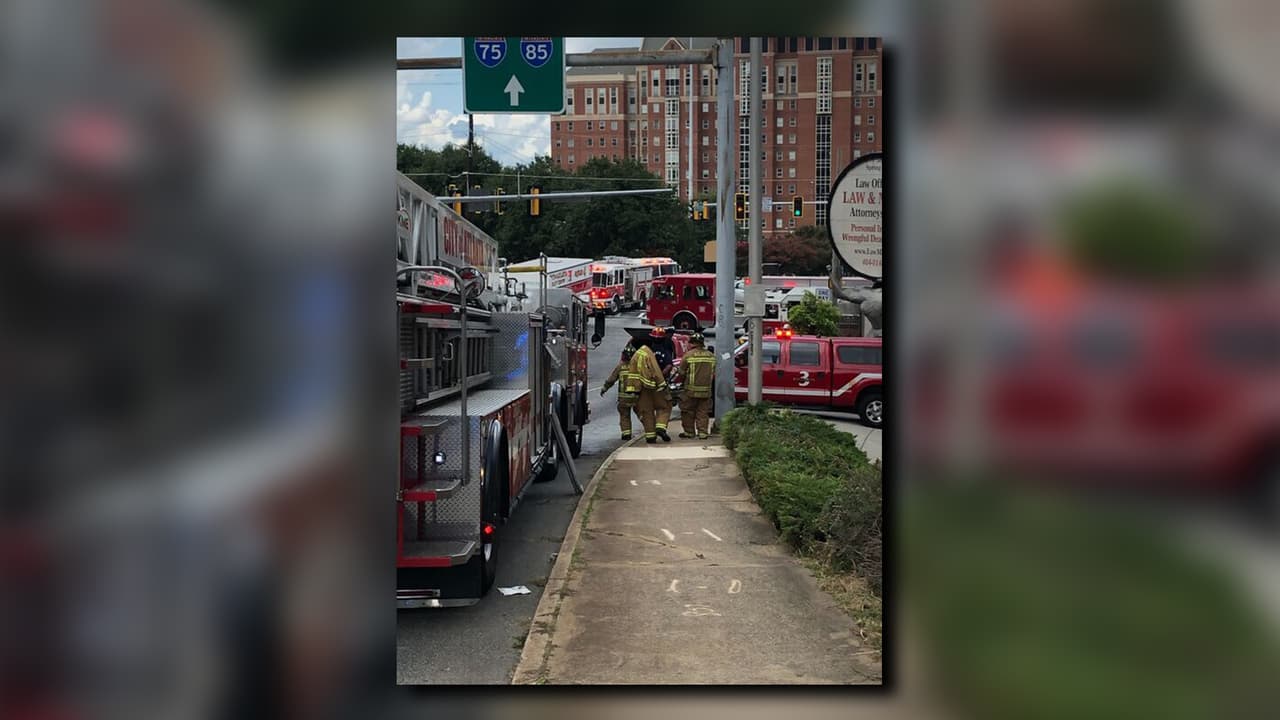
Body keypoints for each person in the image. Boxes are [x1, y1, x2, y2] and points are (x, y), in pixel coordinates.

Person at [628, 328, 671, 443]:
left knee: (646, 411)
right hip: (657, 385)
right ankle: (660, 427)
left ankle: (650, 436)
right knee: (665, 406)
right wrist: (661, 381)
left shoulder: (639, 354)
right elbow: (665, 367)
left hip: (642, 388)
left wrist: (633, 389)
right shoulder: (662, 351)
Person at [674, 332, 715, 439]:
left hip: (690, 390)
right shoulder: (711, 356)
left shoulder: (688, 356)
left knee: (688, 411)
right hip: (706, 390)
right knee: (703, 412)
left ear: (692, 343)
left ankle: (689, 432)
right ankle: (703, 433)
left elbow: (681, 373)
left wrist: (681, 383)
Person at [600, 345, 639, 440]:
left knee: (624, 415)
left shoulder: (620, 367)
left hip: (624, 398)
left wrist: (604, 388)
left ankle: (626, 434)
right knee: (643, 414)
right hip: (637, 397)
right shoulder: (638, 366)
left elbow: (611, 380)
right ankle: (650, 431)